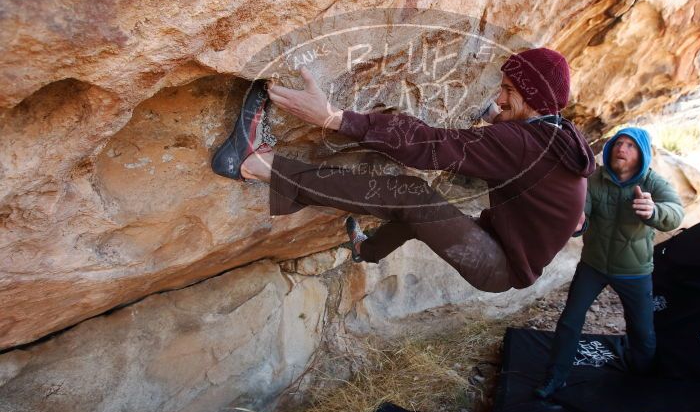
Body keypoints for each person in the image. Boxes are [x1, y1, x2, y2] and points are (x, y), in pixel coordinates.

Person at [211, 48, 595, 293]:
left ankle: (256, 165)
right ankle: (367, 250)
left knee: (414, 197)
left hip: (497, 265)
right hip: (500, 246)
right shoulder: (559, 135)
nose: (497, 97)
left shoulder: (527, 144)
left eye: (508, 89)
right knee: (424, 214)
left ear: (533, 96)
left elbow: (429, 146)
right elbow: (533, 167)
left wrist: (335, 118)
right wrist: (502, 120)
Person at [535, 127, 684, 398]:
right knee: (570, 320)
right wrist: (578, 223)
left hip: (634, 271)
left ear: (642, 154)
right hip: (593, 264)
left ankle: (643, 382)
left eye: (630, 145)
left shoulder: (653, 183)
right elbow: (583, 214)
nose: (621, 149)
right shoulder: (594, 179)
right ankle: (556, 377)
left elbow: (676, 213)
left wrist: (655, 210)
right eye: (618, 143)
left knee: (642, 330)